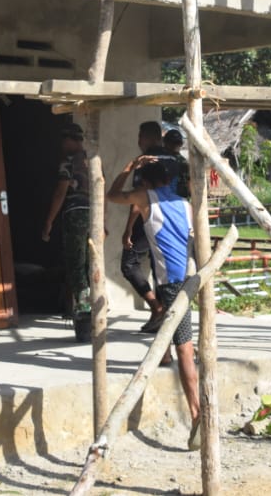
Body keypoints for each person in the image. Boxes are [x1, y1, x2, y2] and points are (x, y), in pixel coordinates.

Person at [107, 157, 201, 450]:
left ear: (145, 182)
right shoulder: (185, 203)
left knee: (184, 347)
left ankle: (197, 414)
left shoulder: (146, 198)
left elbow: (111, 196)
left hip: (172, 283)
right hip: (189, 275)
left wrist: (125, 167)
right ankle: (164, 355)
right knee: (173, 334)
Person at [119, 121, 180, 333]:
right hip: (174, 219)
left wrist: (128, 229)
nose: (138, 142)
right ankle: (164, 320)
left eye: (140, 137)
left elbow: (138, 198)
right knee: (160, 270)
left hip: (149, 218)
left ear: (147, 138)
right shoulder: (175, 159)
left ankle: (157, 308)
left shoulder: (145, 161)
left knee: (129, 263)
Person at [41, 123, 93, 342]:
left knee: (76, 267)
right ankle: (94, 309)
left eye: (64, 140)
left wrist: (48, 223)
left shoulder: (68, 162)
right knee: (90, 266)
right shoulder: (93, 160)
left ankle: (84, 315)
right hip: (94, 216)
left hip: (75, 215)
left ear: (71, 140)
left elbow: (60, 193)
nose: (62, 145)